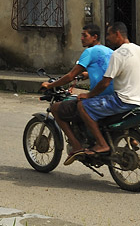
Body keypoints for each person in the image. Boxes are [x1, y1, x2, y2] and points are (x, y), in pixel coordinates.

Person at [66, 22, 140, 163]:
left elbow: (105, 82)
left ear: (117, 34)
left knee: (83, 106)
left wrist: (88, 95)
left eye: (110, 34)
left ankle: (101, 144)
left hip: (123, 101)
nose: (108, 38)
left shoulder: (118, 54)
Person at [41, 24, 114, 156]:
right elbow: (103, 69)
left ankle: (76, 146)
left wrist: (50, 85)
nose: (81, 38)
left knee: (56, 108)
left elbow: (70, 75)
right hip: (112, 96)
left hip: (98, 96)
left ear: (94, 37)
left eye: (84, 35)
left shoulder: (89, 52)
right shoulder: (109, 51)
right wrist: (86, 74)